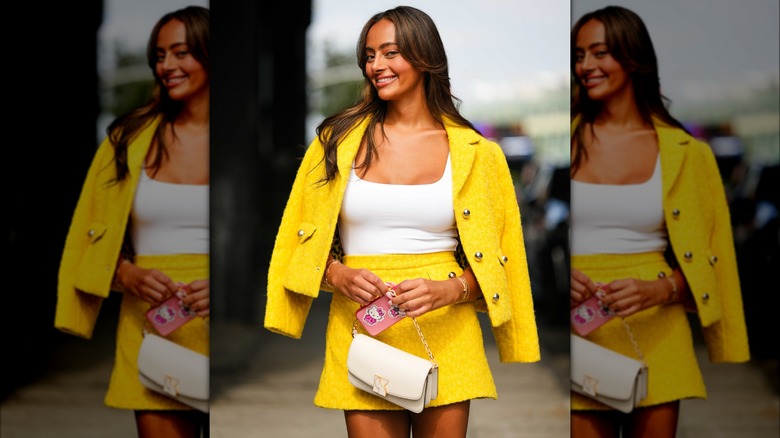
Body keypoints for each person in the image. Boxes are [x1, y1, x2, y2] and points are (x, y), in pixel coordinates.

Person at [266, 5, 540, 438]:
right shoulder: (333, 143)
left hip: (448, 330)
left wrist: (452, 288)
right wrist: (336, 275)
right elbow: (295, 242)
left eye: (390, 52)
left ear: (424, 56)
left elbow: (505, 260)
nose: (377, 65)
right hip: (361, 328)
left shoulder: (479, 153)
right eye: (370, 55)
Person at [569, 6, 749, 438]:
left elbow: (715, 258)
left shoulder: (688, 153)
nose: (587, 66)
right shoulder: (569, 137)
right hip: (582, 334)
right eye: (579, 55)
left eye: (601, 53)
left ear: (633, 58)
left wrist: (660, 288)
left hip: (658, 330)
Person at [55, 6, 210, 437]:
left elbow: (276, 241)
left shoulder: (238, 143)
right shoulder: (126, 139)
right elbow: (85, 234)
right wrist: (125, 273)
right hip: (150, 322)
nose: (167, 66)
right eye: (159, 56)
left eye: (181, 53)